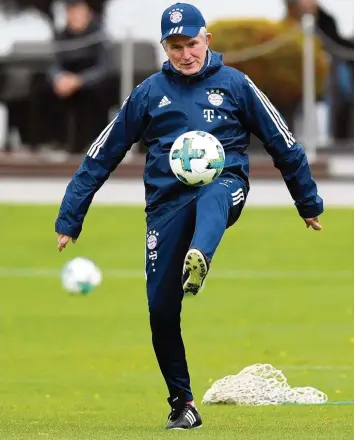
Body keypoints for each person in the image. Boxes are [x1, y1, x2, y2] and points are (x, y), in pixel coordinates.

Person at [55, 2, 323, 430]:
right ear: (165, 46)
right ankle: (183, 403)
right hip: (166, 206)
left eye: (192, 43)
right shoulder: (148, 93)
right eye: (176, 46)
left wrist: (307, 203)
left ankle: (200, 253)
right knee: (161, 310)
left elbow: (283, 142)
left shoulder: (236, 85)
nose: (186, 54)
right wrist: (71, 216)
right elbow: (102, 153)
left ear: (207, 40)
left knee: (213, 195)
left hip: (226, 186)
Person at [40, 0, 112, 153]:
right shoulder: (61, 36)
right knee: (42, 88)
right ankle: (53, 141)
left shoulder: (99, 35)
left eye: (79, 13)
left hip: (90, 82)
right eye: (71, 13)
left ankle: (94, 144)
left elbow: (104, 68)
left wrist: (79, 80)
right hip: (65, 82)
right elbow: (53, 63)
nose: (75, 18)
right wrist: (59, 78)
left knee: (98, 92)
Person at [285, 0, 354, 140]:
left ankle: (336, 136)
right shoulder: (289, 23)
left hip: (329, 67)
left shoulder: (326, 20)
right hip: (302, 71)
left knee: (342, 88)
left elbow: (337, 42)